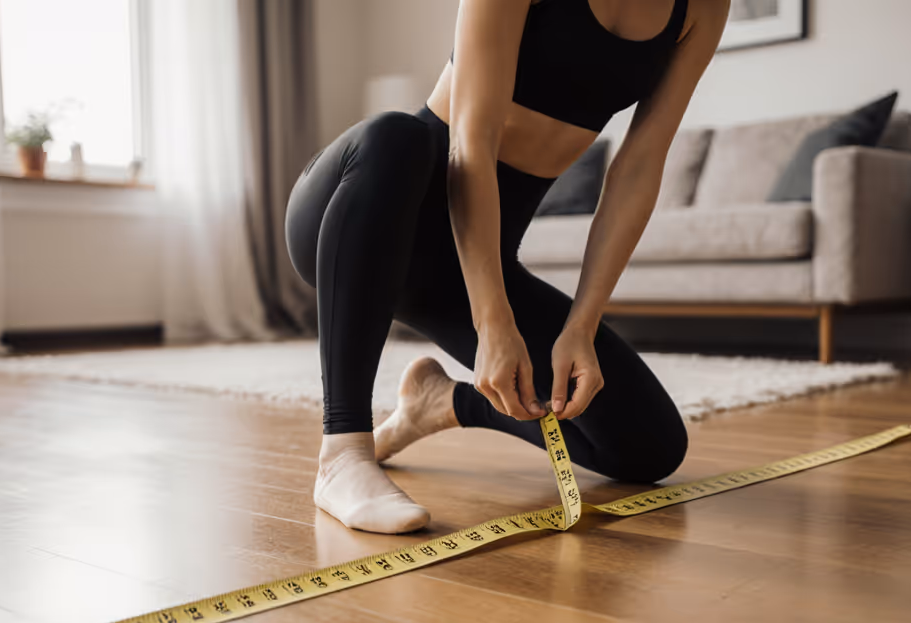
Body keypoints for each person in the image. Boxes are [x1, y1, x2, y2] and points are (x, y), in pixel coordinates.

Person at [285, 0, 730, 534]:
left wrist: (580, 326)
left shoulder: (703, 6)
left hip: (460, 272)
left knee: (649, 447)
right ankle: (343, 452)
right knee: (395, 136)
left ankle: (441, 403)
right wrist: (491, 319)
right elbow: (470, 142)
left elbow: (640, 165)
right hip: (361, 216)